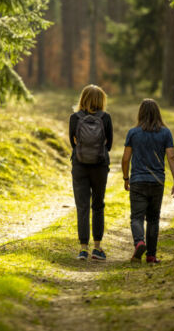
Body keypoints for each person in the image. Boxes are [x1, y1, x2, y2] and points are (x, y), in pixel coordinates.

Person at [122, 98, 174, 264]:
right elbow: (171, 157)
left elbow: (126, 158)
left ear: (140, 113)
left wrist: (126, 177)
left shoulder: (133, 133)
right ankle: (151, 255)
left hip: (138, 181)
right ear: (158, 113)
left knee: (137, 217)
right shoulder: (165, 133)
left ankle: (139, 242)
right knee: (154, 219)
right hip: (157, 182)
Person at [69, 84, 113, 261]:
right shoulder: (106, 118)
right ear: (101, 100)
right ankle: (97, 248)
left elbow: (72, 143)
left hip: (79, 165)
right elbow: (109, 145)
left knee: (82, 207)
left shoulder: (74, 117)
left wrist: (82, 152)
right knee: (98, 205)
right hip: (100, 166)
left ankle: (82, 249)